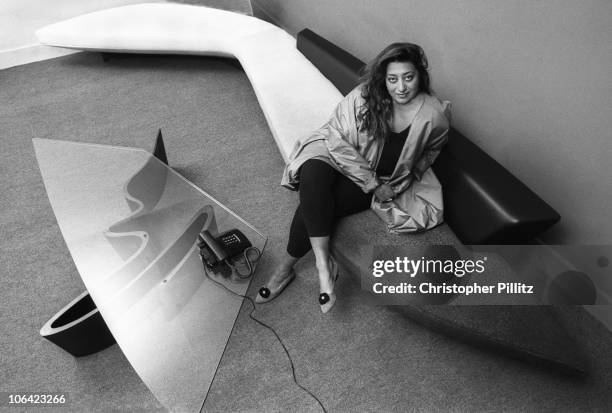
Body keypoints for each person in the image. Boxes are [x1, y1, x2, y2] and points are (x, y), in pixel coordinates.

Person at [256, 42, 451, 313]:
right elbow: (336, 139)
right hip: (336, 153)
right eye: (393, 79)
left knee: (315, 204)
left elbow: (433, 147)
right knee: (314, 173)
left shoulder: (434, 115)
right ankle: (323, 265)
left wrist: (410, 173)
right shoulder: (363, 96)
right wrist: (371, 183)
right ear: (384, 79)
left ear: (421, 75)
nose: (401, 87)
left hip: (377, 178)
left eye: (409, 77)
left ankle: (284, 269)